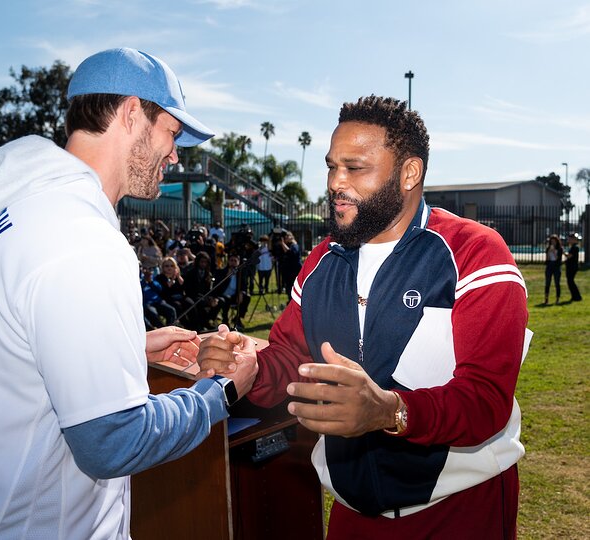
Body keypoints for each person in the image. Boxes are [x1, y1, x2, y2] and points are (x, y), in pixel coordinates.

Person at [0, 47, 258, 539]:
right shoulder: (80, 237)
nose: (175, 154)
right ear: (131, 112)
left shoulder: (22, 213)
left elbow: (13, 349)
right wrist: (219, 394)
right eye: (172, 133)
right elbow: (111, 444)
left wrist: (125, 348)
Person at [199, 96, 529, 539]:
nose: (337, 182)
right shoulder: (320, 261)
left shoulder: (474, 252)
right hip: (354, 514)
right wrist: (250, 366)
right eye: (332, 166)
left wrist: (390, 411)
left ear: (408, 173)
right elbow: (287, 360)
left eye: (355, 168)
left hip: (459, 512)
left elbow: (486, 399)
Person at [544, 234, 563, 304]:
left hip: (556, 266)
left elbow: (558, 258)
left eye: (554, 241)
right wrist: (549, 251)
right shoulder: (548, 249)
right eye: (551, 242)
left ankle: (557, 299)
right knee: (547, 283)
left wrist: (554, 251)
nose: (553, 243)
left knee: (557, 283)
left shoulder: (560, 249)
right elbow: (547, 259)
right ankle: (546, 299)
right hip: (549, 266)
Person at [565, 233, 582, 301]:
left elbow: (569, 256)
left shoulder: (575, 247)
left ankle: (577, 296)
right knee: (570, 282)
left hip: (572, 267)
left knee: (571, 281)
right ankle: (574, 296)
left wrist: (563, 253)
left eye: (570, 239)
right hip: (570, 267)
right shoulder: (572, 247)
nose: (569, 240)